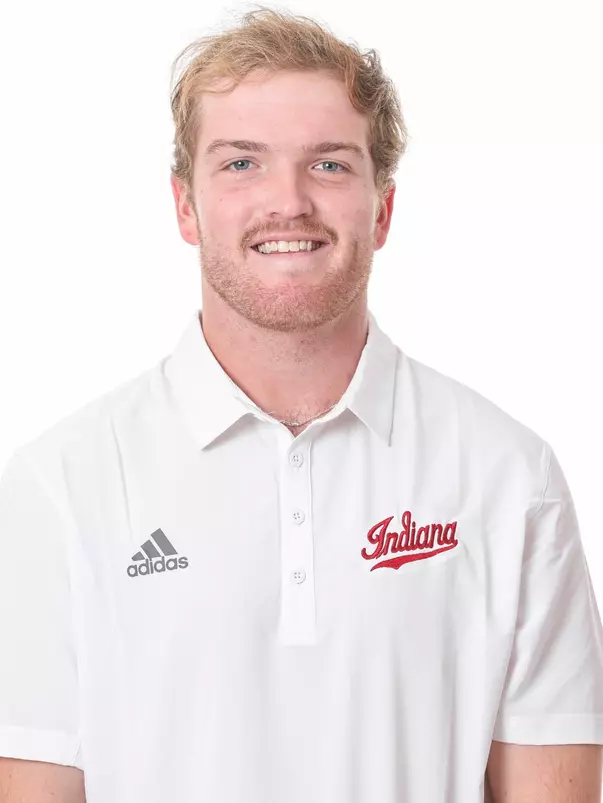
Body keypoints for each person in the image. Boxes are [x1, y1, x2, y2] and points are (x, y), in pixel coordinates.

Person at [0, 6, 602, 803]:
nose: (286, 201)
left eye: (328, 165)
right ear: (185, 206)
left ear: (382, 208)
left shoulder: (508, 477)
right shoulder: (57, 487)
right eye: (241, 163)